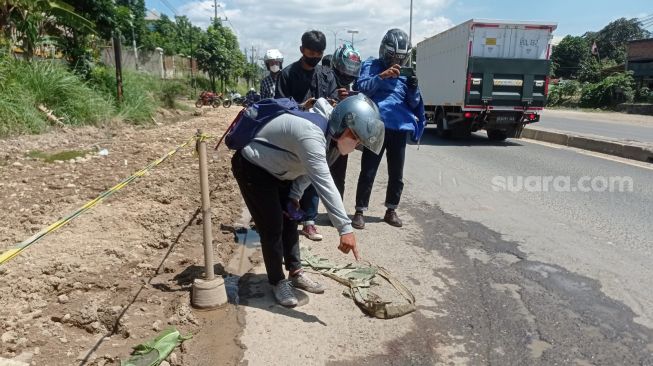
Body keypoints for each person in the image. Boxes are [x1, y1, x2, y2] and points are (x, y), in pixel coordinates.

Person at [231, 95, 385, 307]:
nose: (356, 144)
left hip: (281, 172)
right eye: (356, 137)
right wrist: (345, 228)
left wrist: (294, 196)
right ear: (343, 125)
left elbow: (307, 172)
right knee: (272, 226)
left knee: (290, 220)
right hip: (254, 168)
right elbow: (323, 181)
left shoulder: (331, 140)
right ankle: (277, 281)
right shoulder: (311, 134)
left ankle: (295, 272)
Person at [275, 30, 346, 241]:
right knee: (291, 176)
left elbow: (333, 100)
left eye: (319, 52)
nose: (314, 56)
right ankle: (287, 220)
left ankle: (309, 222)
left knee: (314, 175)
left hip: (318, 135)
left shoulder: (326, 74)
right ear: (301, 50)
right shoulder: (287, 74)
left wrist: (335, 101)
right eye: (311, 51)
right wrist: (300, 106)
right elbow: (279, 104)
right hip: (293, 135)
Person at [352, 28, 426, 229]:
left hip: (399, 129)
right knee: (368, 171)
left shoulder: (406, 73)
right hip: (375, 126)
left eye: (400, 58)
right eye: (392, 56)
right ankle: (360, 211)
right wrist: (381, 77)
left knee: (396, 173)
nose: (396, 62)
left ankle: (391, 210)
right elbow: (361, 87)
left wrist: (413, 87)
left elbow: (413, 103)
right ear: (384, 51)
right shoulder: (371, 65)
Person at [328, 43, 363, 199]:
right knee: (313, 173)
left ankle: (335, 209)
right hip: (322, 133)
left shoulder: (352, 86)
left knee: (339, 174)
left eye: (352, 68)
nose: (348, 72)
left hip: (342, 135)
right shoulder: (324, 77)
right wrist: (334, 97)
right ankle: (309, 213)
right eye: (346, 67)